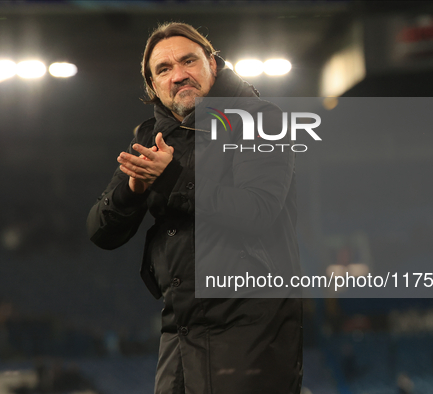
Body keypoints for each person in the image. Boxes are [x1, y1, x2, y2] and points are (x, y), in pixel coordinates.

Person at [87, 22, 302, 394]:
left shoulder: (261, 119)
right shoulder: (149, 137)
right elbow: (100, 232)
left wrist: (170, 179)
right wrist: (133, 190)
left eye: (189, 61)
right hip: (180, 331)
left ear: (213, 66)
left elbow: (256, 211)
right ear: (153, 86)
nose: (180, 75)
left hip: (250, 329)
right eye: (164, 69)